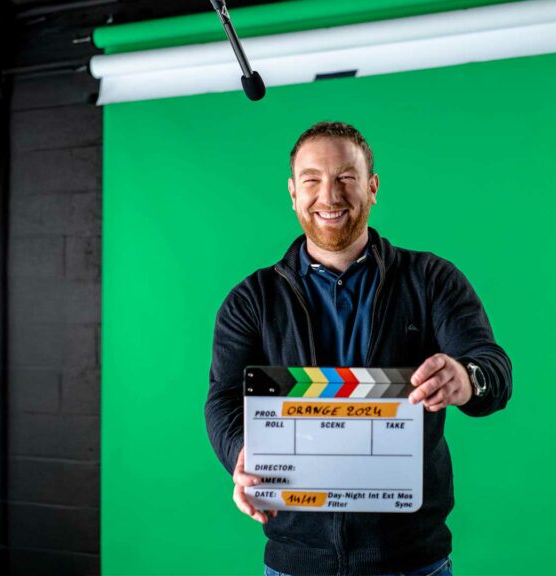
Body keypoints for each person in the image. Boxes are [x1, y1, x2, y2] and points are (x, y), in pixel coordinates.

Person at [205, 121, 512, 576]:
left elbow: (494, 370)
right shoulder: (251, 300)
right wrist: (240, 452)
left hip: (412, 560)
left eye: (346, 178)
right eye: (312, 180)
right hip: (295, 560)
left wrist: (465, 379)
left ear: (371, 188)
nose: (329, 196)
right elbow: (223, 398)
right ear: (293, 192)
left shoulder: (431, 280)